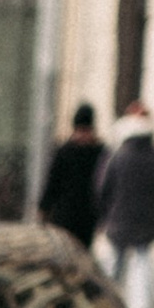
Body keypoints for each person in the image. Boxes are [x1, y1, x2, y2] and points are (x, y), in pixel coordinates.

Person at [94, 103, 154, 308]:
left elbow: (102, 188)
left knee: (113, 265)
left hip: (117, 219)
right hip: (146, 221)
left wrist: (105, 215)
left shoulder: (117, 157)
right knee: (142, 265)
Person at [37, 99, 107, 247]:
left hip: (79, 216)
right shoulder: (98, 152)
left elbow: (52, 182)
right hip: (72, 216)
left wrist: (43, 208)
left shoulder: (67, 151)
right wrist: (44, 207)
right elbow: (53, 182)